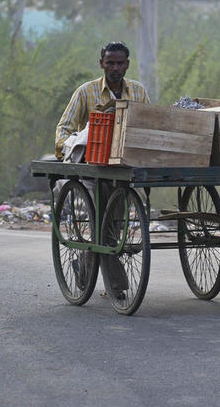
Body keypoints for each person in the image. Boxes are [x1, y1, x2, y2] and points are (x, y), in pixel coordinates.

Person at [54, 41, 151, 299]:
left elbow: (149, 126)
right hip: (92, 172)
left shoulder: (139, 92)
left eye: (120, 63)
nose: (115, 68)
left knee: (113, 226)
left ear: (127, 65)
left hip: (124, 171)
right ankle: (117, 287)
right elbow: (63, 130)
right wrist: (74, 147)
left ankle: (83, 271)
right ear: (102, 64)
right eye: (110, 63)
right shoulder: (86, 93)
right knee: (102, 224)